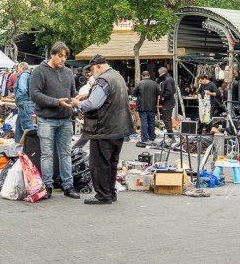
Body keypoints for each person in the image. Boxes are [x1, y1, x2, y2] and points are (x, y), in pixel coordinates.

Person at [70, 55, 135, 205]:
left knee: (99, 164)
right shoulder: (117, 76)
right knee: (111, 163)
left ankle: (103, 195)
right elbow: (108, 96)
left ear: (98, 66)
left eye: (92, 70)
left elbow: (93, 104)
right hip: (119, 128)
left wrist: (78, 104)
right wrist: (88, 94)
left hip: (104, 128)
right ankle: (110, 192)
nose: (91, 73)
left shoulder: (103, 80)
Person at [29, 42, 79, 199]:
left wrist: (77, 100)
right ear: (52, 54)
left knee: (65, 153)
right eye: (60, 56)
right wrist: (56, 102)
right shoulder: (39, 71)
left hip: (65, 119)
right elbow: (34, 95)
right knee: (47, 154)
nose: (63, 59)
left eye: (65, 56)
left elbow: (72, 92)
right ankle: (47, 186)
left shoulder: (68, 73)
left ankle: (68, 186)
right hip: (46, 119)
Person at [132, 71, 160, 143]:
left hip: (142, 107)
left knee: (144, 123)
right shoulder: (154, 83)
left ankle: (144, 138)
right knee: (151, 122)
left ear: (142, 76)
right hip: (152, 106)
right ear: (149, 75)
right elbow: (159, 93)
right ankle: (152, 137)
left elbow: (134, 94)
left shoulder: (139, 84)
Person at [13, 62, 36, 144]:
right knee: (19, 126)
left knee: (27, 126)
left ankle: (36, 144)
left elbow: (22, 89)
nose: (17, 69)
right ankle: (17, 145)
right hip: (26, 103)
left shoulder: (23, 75)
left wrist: (16, 98)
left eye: (18, 67)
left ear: (22, 67)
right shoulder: (28, 75)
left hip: (24, 103)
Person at [158, 67, 177, 135]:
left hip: (168, 101)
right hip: (169, 101)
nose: (159, 75)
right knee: (167, 118)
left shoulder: (168, 80)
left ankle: (170, 135)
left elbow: (169, 91)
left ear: (163, 72)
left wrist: (163, 97)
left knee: (166, 118)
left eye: (160, 73)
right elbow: (173, 90)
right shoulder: (168, 79)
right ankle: (170, 134)